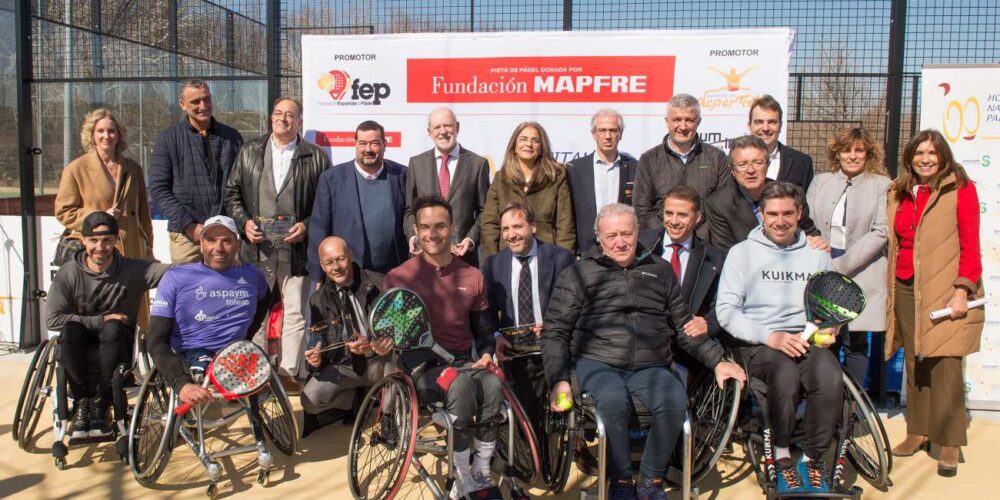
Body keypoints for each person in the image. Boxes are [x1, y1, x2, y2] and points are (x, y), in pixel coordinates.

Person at [543, 203, 745, 500]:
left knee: (674, 399)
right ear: (598, 238)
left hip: (651, 364)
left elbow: (683, 326)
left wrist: (717, 361)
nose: (620, 242)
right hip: (598, 361)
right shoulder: (578, 274)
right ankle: (622, 482)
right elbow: (556, 331)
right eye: (611, 235)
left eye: (627, 233)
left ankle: (651, 481)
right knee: (612, 401)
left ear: (638, 233)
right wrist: (558, 379)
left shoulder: (660, 270)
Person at [716, 182, 839, 494]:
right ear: (761, 215)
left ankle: (811, 458)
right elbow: (727, 311)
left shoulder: (817, 254)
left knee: (829, 375)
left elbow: (829, 306)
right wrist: (769, 336)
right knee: (784, 375)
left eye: (787, 213)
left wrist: (831, 328)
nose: (780, 220)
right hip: (760, 343)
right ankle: (782, 453)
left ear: (799, 213)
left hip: (807, 340)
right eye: (772, 214)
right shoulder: (741, 253)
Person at [382, 196, 501, 498]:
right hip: (420, 367)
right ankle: (461, 474)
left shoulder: (473, 276)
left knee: (493, 382)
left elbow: (483, 328)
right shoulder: (399, 277)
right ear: (416, 230)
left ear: (452, 228)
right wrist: (381, 343)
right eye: (425, 227)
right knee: (461, 385)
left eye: (439, 226)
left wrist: (487, 354)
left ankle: (482, 471)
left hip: (462, 362)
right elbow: (391, 335)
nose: (432, 234)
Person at [885, 130, 983, 477]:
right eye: (918, 152)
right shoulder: (899, 191)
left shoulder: (961, 188)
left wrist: (963, 289)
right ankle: (918, 430)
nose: (925, 158)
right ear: (909, 157)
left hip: (945, 289)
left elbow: (971, 243)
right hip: (906, 286)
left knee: (946, 364)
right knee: (915, 358)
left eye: (932, 152)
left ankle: (949, 441)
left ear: (943, 156)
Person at [223, 96, 331, 382]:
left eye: (290, 115)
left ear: (300, 122)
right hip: (257, 248)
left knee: (296, 312)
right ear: (270, 118)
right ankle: (256, 373)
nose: (283, 118)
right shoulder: (249, 151)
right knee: (254, 311)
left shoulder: (316, 156)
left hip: (296, 251)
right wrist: (244, 222)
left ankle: (289, 373)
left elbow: (325, 202)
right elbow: (232, 194)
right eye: (278, 113)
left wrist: (307, 225)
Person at [45, 212, 169, 438]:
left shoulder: (133, 269)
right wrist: (101, 319)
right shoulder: (69, 273)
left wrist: (214, 262)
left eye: (106, 240)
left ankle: (102, 403)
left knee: (112, 329)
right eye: (93, 240)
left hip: (116, 341)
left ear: (115, 240)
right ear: (84, 241)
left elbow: (173, 272)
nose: (100, 247)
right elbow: (53, 319)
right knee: (70, 329)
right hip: (79, 339)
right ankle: (82, 402)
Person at [146, 215, 271, 407]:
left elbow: (265, 300)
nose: (218, 248)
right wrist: (182, 385)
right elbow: (155, 341)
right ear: (201, 243)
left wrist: (247, 335)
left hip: (234, 353)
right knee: (197, 369)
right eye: (211, 240)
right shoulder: (176, 277)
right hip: (190, 354)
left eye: (226, 241)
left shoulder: (253, 276)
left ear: (237, 245)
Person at [54, 107, 156, 328]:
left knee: (137, 310)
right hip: (98, 250)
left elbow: (144, 215)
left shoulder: (133, 168)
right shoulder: (76, 168)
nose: (106, 136)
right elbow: (63, 211)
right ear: (91, 134)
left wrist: (148, 248)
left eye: (111, 131)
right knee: (104, 311)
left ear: (119, 135)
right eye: (100, 131)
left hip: (131, 247)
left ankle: (139, 354)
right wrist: (97, 217)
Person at [805, 128, 890, 385]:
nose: (852, 156)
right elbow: (807, 221)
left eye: (859, 150)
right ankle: (828, 401)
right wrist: (818, 247)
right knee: (824, 340)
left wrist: (841, 265)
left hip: (862, 270)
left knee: (855, 342)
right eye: (846, 150)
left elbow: (881, 231)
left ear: (869, 154)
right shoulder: (821, 181)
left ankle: (853, 410)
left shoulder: (882, 185)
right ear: (837, 153)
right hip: (823, 268)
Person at [483, 202, 574, 423]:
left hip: (554, 350)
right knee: (525, 420)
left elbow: (573, 305)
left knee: (561, 413)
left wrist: (552, 326)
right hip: (515, 355)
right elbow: (486, 310)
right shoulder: (493, 264)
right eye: (505, 229)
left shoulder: (561, 258)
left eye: (517, 227)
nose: (511, 235)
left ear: (532, 227)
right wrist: (495, 336)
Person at [300, 237, 392, 437]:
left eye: (340, 259)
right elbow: (318, 342)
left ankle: (388, 416)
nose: (336, 267)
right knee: (310, 399)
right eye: (329, 263)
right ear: (322, 267)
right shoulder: (317, 300)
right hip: (345, 365)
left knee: (395, 366)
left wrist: (375, 344)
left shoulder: (379, 282)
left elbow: (398, 328)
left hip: (380, 361)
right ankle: (356, 400)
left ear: (350, 256)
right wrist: (315, 361)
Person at [149, 79, 244, 264]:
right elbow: (159, 189)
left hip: (225, 234)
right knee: (189, 289)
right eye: (195, 102)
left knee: (224, 289)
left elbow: (242, 186)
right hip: (186, 236)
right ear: (182, 105)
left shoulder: (232, 137)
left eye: (206, 99)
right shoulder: (168, 140)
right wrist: (189, 226)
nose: (203, 106)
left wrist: (234, 224)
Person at [308, 120, 407, 278]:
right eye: (362, 143)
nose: (368, 149)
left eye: (374, 143)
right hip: (348, 274)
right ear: (355, 144)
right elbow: (319, 229)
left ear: (384, 145)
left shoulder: (402, 175)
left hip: (393, 273)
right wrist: (318, 274)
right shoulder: (331, 179)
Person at [699, 135, 826, 253]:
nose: (750, 170)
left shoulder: (792, 194)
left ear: (768, 165)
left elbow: (809, 232)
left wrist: (816, 240)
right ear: (732, 170)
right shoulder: (719, 203)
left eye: (757, 163)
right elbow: (727, 252)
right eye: (742, 164)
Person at [403, 107, 491, 266]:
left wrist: (470, 240)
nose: (443, 131)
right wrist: (414, 237)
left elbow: (485, 210)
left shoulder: (478, 164)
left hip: (461, 257)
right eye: (437, 127)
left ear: (457, 127)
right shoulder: (416, 164)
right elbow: (410, 210)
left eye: (448, 125)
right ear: (429, 132)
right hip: (424, 256)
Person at [632, 93, 731, 230]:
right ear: (667, 121)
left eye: (689, 120)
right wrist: (668, 237)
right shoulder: (649, 159)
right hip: (662, 245)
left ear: (699, 121)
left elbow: (724, 207)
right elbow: (642, 209)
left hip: (704, 245)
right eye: (677, 119)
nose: (683, 127)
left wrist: (697, 239)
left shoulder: (717, 158)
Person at [480, 121, 575, 260]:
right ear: (514, 146)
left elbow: (565, 224)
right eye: (523, 139)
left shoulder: (557, 176)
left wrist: (563, 261)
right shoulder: (501, 178)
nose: (528, 144)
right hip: (507, 255)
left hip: (547, 257)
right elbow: (489, 224)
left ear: (542, 147)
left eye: (535, 140)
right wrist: (492, 262)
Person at [645, 185, 726, 342]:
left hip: (689, 346)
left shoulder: (714, 258)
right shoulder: (642, 244)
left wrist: (708, 323)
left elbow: (724, 306)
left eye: (682, 215)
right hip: (646, 341)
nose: (674, 221)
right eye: (669, 213)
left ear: (697, 218)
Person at [568, 108, 638, 254]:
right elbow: (568, 215)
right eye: (602, 130)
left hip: (622, 249)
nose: (608, 136)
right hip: (587, 251)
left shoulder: (635, 168)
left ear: (621, 134)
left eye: (613, 130)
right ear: (594, 134)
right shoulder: (575, 169)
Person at [747, 95, 814, 191]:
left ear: (780, 126)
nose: (765, 128)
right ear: (749, 126)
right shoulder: (731, 163)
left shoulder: (802, 163)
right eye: (759, 122)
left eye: (772, 122)